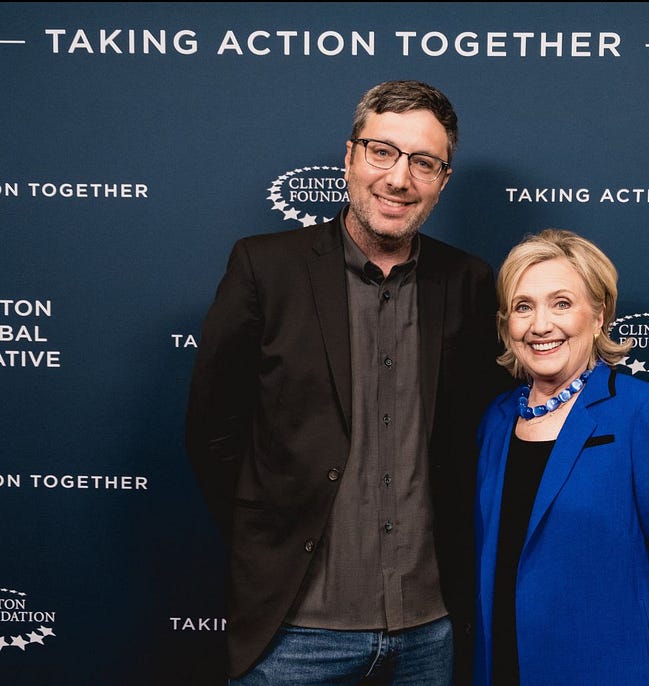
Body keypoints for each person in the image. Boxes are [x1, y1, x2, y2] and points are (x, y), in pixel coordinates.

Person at [185, 80, 508, 685]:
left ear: (443, 181)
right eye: (382, 151)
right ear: (350, 157)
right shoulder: (265, 267)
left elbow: (475, 438)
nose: (398, 178)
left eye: (424, 163)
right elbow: (213, 431)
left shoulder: (467, 281)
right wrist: (268, 536)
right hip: (293, 633)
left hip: (428, 631)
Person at [473, 229, 649, 686]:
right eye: (523, 306)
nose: (540, 325)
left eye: (561, 303)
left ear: (599, 316)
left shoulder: (644, 414)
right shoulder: (496, 422)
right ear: (505, 326)